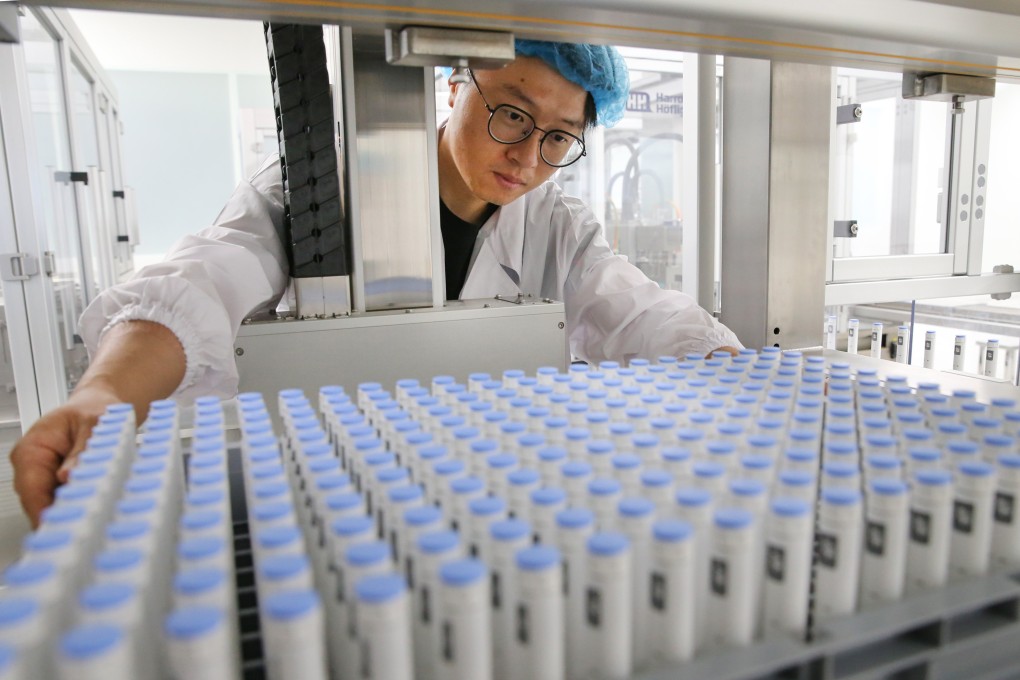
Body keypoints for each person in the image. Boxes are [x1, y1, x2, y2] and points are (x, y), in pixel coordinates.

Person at [10, 39, 740, 525]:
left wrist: (728, 368)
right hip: (321, 497)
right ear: (457, 82)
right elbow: (205, 278)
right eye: (513, 113)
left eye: (559, 138)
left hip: (488, 497)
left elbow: (633, 309)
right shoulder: (321, 185)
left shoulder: (557, 222)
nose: (528, 155)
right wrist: (108, 392)